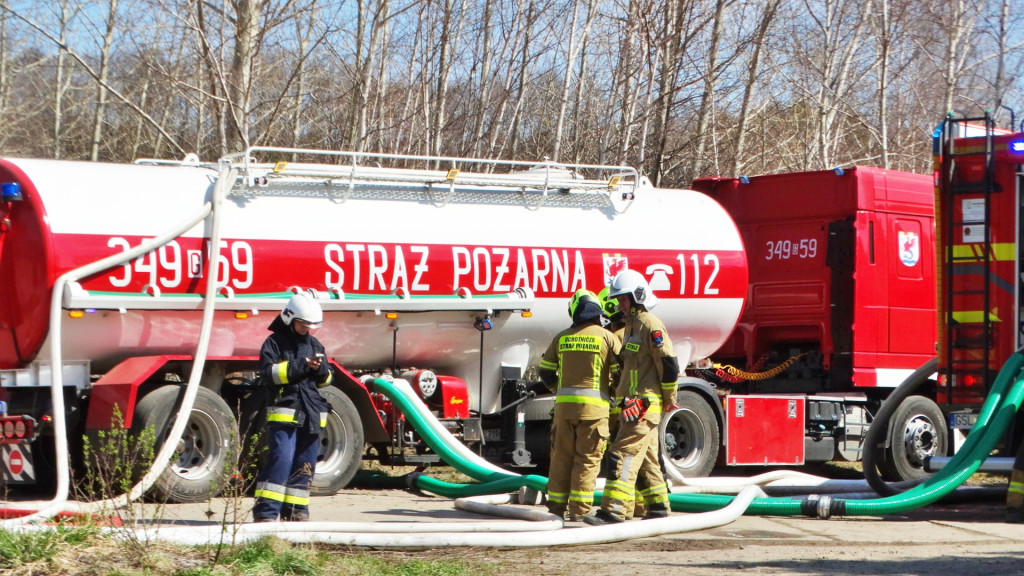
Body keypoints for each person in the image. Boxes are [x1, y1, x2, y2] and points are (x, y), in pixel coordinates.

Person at [586, 270, 680, 525]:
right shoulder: (630, 326)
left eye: (624, 299)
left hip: (643, 404)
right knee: (648, 458)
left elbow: (668, 364)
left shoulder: (650, 324)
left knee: (621, 453)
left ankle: (613, 511)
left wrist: (670, 397)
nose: (620, 305)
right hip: (634, 404)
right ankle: (659, 507)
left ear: (638, 295)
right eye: (619, 300)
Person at [538, 289, 621, 521]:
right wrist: (613, 396)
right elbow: (620, 373)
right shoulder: (607, 337)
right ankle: (579, 512)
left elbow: (545, 372)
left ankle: (555, 509)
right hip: (594, 413)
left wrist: (559, 391)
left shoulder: (562, 337)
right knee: (587, 460)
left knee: (561, 458)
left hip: (564, 411)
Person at [253, 292, 333, 522]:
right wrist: (301, 365)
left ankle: (297, 512)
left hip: (311, 415)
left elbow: (325, 380)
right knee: (281, 462)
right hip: (285, 413)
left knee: (305, 465)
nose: (306, 328)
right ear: (289, 318)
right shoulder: (274, 343)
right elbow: (268, 374)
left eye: (310, 325)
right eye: (302, 323)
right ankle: (266, 514)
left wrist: (319, 370)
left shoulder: (315, 344)